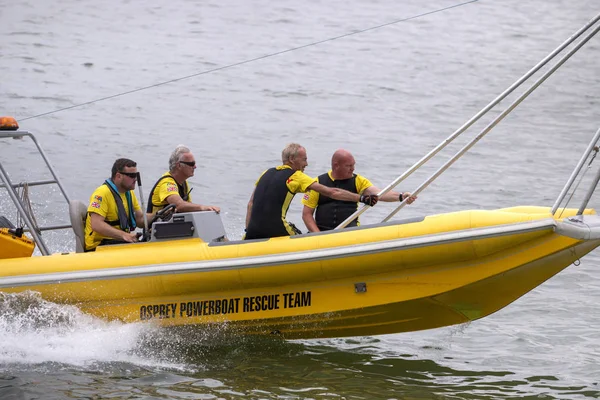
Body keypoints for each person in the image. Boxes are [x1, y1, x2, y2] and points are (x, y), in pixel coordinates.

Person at [244, 143, 379, 240]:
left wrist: (248, 230)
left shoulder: (265, 173)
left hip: (252, 230)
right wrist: (362, 198)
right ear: (292, 159)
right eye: (304, 159)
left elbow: (250, 204)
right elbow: (332, 192)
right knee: (300, 237)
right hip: (278, 229)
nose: (306, 164)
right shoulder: (296, 175)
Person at [302, 149, 417, 232]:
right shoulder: (317, 183)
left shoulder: (358, 181)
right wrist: (317, 236)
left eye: (353, 165)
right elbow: (307, 214)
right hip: (322, 232)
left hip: (349, 231)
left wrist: (401, 196)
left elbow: (378, 193)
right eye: (348, 166)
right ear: (336, 166)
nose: (353, 168)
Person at [84, 158, 147, 251]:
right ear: (118, 176)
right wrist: (124, 235)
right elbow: (96, 224)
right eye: (132, 175)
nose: (135, 179)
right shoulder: (102, 193)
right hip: (99, 244)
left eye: (136, 175)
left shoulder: (128, 193)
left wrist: (158, 215)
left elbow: (140, 219)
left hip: (117, 241)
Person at [147, 145, 220, 214]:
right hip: (157, 226)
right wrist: (203, 207)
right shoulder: (166, 183)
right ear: (179, 165)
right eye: (191, 164)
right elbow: (179, 205)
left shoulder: (184, 183)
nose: (195, 167)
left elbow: (188, 207)